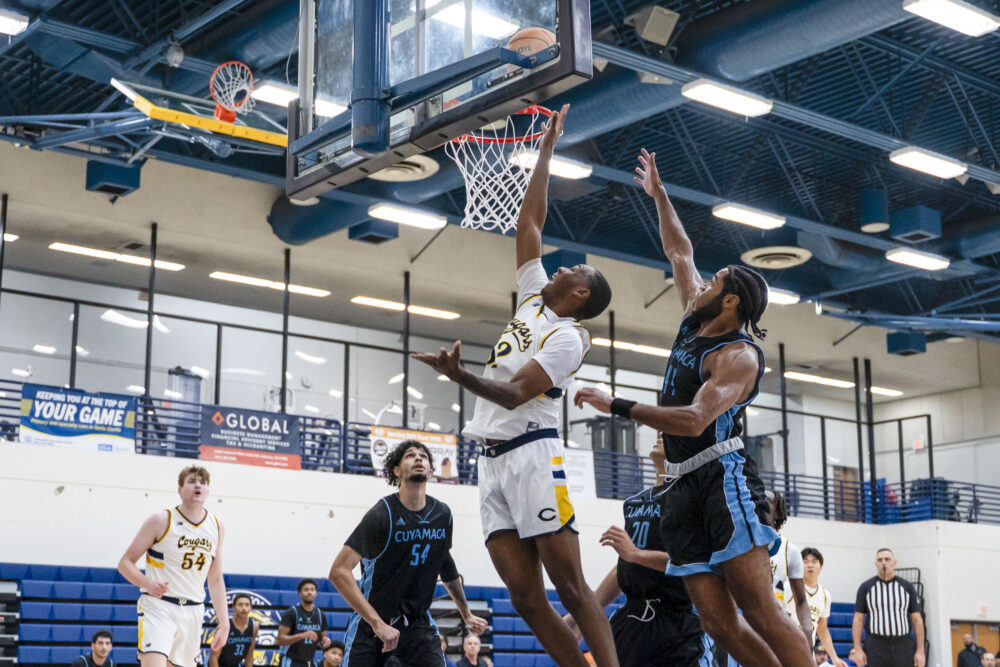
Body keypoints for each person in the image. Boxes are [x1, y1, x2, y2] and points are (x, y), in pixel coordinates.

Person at [574, 147, 812, 667]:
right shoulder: (694, 317)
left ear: (730, 302)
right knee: (717, 623)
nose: (702, 283)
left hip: (721, 478)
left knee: (760, 609)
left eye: (715, 282)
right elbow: (680, 252)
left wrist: (616, 403)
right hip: (680, 486)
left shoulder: (738, 355)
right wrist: (660, 196)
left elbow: (694, 419)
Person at [411, 104, 617, 667]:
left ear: (581, 294)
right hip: (492, 459)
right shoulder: (532, 298)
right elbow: (530, 224)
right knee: (526, 599)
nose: (561, 267)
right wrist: (545, 150)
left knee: (570, 587)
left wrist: (459, 375)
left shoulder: (569, 337)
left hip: (533, 456)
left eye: (572, 271)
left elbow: (513, 392)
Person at [329, 440, 487, 667]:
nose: (418, 458)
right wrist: (377, 624)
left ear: (431, 471)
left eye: (424, 456)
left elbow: (445, 563)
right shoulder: (382, 514)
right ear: (397, 470)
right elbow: (339, 572)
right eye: (410, 455)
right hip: (373, 623)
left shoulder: (442, 514)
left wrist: (466, 613)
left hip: (417, 623)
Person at [563, 435, 713, 667]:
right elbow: (625, 565)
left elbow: (692, 562)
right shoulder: (635, 502)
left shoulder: (693, 501)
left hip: (677, 621)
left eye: (669, 432)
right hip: (632, 619)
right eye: (660, 431)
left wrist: (636, 554)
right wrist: (581, 616)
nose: (661, 434)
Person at [118, 466, 229, 667]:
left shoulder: (216, 526)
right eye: (192, 481)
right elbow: (125, 563)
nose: (198, 485)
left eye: (202, 482)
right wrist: (147, 583)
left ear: (208, 491)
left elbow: (215, 578)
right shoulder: (161, 520)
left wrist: (224, 622)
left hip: (193, 611)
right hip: (159, 606)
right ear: (180, 489)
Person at [851, 548, 924, 667]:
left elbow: (917, 620)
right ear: (876, 564)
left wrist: (920, 651)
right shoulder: (865, 588)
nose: (883, 562)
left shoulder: (907, 587)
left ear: (894, 562)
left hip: (903, 645)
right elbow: (858, 620)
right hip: (875, 645)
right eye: (880, 560)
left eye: (887, 559)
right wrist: (858, 649)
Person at [766, 491, 813, 645]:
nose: (762, 502)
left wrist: (807, 634)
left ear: (778, 512)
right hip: (746, 622)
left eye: (768, 500)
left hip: (776, 625)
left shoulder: (789, 550)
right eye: (758, 498)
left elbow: (801, 600)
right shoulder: (740, 544)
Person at [797, 548, 845, 667]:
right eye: (805, 561)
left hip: (808, 652)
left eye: (814, 562)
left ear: (821, 566)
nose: (810, 565)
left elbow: (822, 629)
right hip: (784, 648)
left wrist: (834, 658)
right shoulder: (788, 587)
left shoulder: (825, 595)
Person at [278, 579, 331, 667]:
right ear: (300, 593)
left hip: (308, 662)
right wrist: (302, 635)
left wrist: (325, 642)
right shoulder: (291, 612)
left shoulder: (320, 614)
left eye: (312, 589)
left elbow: (321, 640)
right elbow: (280, 640)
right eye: (306, 589)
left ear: (316, 593)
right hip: (290, 661)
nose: (309, 592)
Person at [210, 593, 257, 667]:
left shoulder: (254, 626)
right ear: (233, 607)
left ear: (251, 607)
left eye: (247, 605)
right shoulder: (224, 626)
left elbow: (249, 656)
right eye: (240, 605)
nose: (244, 608)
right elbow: (213, 657)